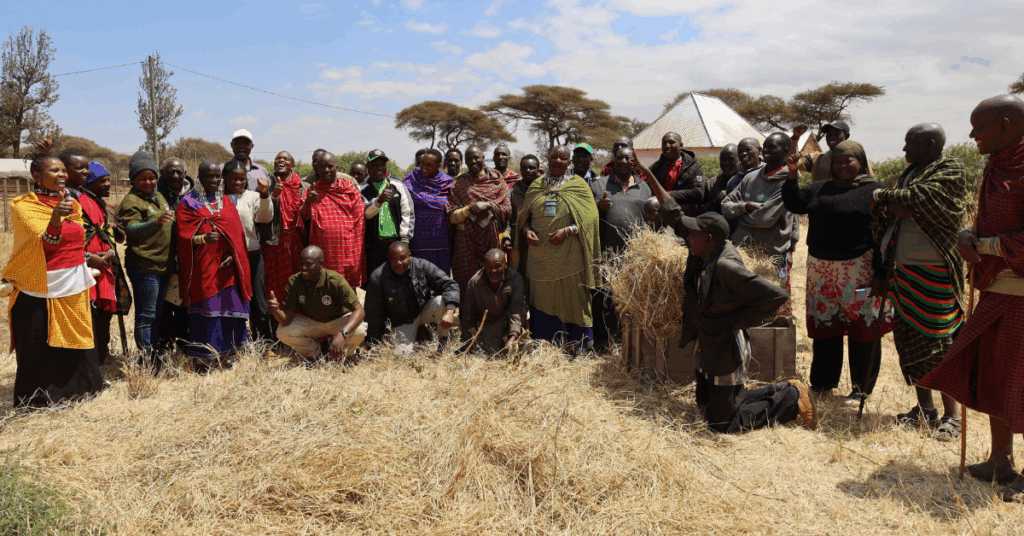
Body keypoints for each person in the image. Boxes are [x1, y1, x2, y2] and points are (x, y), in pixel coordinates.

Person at [637, 155, 815, 433]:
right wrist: (648, 173)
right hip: (707, 341)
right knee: (707, 409)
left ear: (708, 239)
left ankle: (791, 400)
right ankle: (783, 388)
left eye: (692, 236)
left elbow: (775, 296)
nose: (686, 238)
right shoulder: (703, 245)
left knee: (722, 424)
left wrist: (738, 320)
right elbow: (673, 212)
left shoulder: (726, 265)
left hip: (725, 346)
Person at [918, 95, 1024, 501]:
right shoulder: (998, 165)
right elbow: (984, 224)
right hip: (999, 288)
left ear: (1005, 123)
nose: (971, 135)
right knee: (997, 375)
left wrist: (989, 247)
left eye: (979, 127)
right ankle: (1000, 460)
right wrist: (968, 237)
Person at [870, 123, 966, 439]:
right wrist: (897, 206)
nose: (904, 150)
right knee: (909, 343)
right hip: (903, 270)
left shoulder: (949, 169)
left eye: (910, 143)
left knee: (940, 344)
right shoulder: (911, 173)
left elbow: (921, 199)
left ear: (930, 143)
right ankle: (925, 410)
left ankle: (953, 417)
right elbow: (890, 210)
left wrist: (885, 196)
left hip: (935, 271)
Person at [781, 140, 893, 406]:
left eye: (848, 161)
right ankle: (822, 384)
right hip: (821, 269)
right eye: (838, 162)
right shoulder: (820, 188)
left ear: (862, 163)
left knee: (863, 329)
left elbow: (884, 235)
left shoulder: (874, 191)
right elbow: (795, 203)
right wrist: (793, 173)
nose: (842, 166)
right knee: (824, 325)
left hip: (859, 269)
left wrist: (881, 271)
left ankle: (860, 389)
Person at [3, 152, 104, 407]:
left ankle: (80, 392)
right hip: (39, 283)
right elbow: (46, 242)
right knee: (41, 341)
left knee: (76, 335)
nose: (61, 175)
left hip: (72, 281)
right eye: (54, 171)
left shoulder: (73, 203)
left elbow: (75, 240)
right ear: (37, 176)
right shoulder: (23, 205)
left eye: (63, 170)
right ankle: (41, 399)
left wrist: (88, 256)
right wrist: (56, 217)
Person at [517, 145, 601, 355]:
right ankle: (546, 346)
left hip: (569, 256)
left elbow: (591, 219)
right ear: (548, 158)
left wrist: (568, 230)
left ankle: (578, 345)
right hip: (540, 257)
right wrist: (526, 231)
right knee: (543, 297)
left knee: (573, 296)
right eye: (553, 157)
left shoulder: (578, 185)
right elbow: (523, 218)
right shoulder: (536, 185)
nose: (557, 161)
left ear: (568, 162)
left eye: (562, 159)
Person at [175, 162, 253, 367]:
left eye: (217, 176)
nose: (214, 180)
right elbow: (183, 237)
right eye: (209, 176)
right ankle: (205, 358)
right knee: (207, 311)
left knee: (231, 309)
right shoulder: (187, 203)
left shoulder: (226, 201)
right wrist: (202, 238)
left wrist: (233, 256)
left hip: (228, 268)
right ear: (199, 178)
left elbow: (238, 234)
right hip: (204, 267)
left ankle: (230, 355)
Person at [721, 132, 799, 321]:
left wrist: (740, 216)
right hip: (744, 253)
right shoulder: (751, 177)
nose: (767, 150)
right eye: (766, 146)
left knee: (774, 311)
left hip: (771, 255)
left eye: (773, 147)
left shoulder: (787, 181)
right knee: (746, 306)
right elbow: (725, 206)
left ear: (786, 151)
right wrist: (745, 206)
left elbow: (766, 218)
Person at [590, 147, 652, 350]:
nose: (624, 161)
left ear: (634, 162)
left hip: (635, 256)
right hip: (607, 254)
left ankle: (630, 344)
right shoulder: (599, 184)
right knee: (605, 300)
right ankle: (603, 342)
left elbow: (652, 219)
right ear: (614, 161)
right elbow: (586, 219)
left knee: (633, 302)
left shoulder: (645, 187)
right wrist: (599, 209)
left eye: (629, 158)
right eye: (620, 158)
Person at [117, 151, 175, 367]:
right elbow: (131, 229)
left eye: (151, 177)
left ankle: (154, 356)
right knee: (146, 316)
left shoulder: (158, 197)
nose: (148, 182)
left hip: (163, 266)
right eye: (142, 178)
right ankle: (146, 361)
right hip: (144, 267)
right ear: (133, 179)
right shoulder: (131, 201)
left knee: (157, 314)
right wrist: (156, 223)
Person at [270, 246, 367, 361]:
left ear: (321, 263)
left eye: (309, 264)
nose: (304, 268)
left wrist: (342, 333)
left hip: (337, 320)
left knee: (360, 331)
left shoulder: (335, 280)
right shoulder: (294, 281)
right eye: (301, 264)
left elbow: (359, 311)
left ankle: (343, 354)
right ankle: (315, 355)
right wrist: (276, 311)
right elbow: (286, 319)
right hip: (311, 321)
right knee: (283, 332)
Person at [79, 161, 130, 365]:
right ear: (90, 184)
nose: (108, 184)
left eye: (109, 180)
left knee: (104, 313)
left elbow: (119, 238)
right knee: (91, 314)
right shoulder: (79, 203)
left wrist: (117, 230)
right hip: (88, 267)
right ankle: (91, 359)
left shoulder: (105, 208)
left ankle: (101, 356)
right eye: (102, 181)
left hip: (106, 267)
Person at [364, 241, 460, 346]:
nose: (399, 263)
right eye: (394, 259)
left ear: (409, 256)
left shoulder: (422, 265)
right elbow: (373, 313)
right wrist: (373, 344)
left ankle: (443, 342)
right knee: (402, 356)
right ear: (388, 258)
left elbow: (450, 284)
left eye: (402, 258)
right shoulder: (378, 277)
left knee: (440, 301)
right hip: (403, 321)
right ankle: (421, 332)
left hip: (424, 310)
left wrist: (450, 311)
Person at [448, 145, 512, 295]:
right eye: (469, 159)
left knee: (493, 280)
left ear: (483, 158)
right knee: (466, 282)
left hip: (492, 240)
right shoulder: (459, 183)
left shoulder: (496, 180)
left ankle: (492, 316)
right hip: (466, 243)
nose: (473, 161)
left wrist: (488, 206)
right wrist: (469, 209)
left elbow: (508, 210)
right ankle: (467, 315)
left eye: (476, 157)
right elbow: (451, 216)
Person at [223, 159, 275, 343]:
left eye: (242, 179)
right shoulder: (218, 199)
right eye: (233, 179)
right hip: (226, 258)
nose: (238, 182)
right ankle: (234, 343)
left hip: (252, 255)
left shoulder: (253, 196)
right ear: (224, 178)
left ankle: (264, 343)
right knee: (230, 301)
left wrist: (264, 194)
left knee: (259, 301)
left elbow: (265, 217)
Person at [301, 151, 367, 287]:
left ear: (336, 168)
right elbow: (304, 218)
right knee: (324, 287)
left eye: (330, 166)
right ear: (317, 169)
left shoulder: (349, 189)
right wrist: (308, 202)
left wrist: (353, 246)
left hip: (347, 249)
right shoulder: (312, 191)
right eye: (322, 167)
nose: (326, 170)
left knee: (347, 290)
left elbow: (359, 221)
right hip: (323, 250)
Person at [262, 151, 309, 341]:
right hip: (274, 244)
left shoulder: (302, 186)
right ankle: (275, 334)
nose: (280, 161)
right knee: (273, 287)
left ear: (292, 166)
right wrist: (272, 197)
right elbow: (261, 213)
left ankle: (298, 332)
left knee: (297, 286)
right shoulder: (267, 183)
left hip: (296, 243)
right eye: (278, 159)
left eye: (285, 159)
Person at [156, 157, 193, 353]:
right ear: (163, 173)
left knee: (183, 304)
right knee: (162, 304)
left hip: (186, 257)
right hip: (161, 258)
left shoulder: (195, 194)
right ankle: (165, 344)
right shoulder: (155, 194)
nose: (175, 176)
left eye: (179, 172)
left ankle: (184, 344)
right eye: (170, 172)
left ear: (185, 174)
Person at [460, 249, 525, 354]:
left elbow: (516, 311)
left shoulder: (515, 279)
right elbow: (469, 316)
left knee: (516, 350)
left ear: (505, 265)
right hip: (489, 324)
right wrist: (470, 342)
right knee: (491, 353)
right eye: (489, 267)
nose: (493, 271)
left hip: (509, 322)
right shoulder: (474, 283)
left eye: (497, 266)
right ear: (484, 266)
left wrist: (512, 338)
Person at [362, 149, 415, 278]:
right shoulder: (360, 189)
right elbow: (365, 215)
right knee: (374, 283)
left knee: (398, 283)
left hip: (396, 245)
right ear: (367, 167)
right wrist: (378, 202)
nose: (379, 168)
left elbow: (408, 214)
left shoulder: (398, 186)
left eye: (382, 165)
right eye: (375, 165)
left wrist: (404, 242)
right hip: (373, 248)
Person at [404, 148, 454, 273]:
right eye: (422, 163)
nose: (424, 167)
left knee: (440, 280)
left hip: (441, 242)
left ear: (439, 166)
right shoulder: (411, 179)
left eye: (429, 165)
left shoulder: (447, 182)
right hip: (418, 242)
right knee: (418, 280)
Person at [790, 121, 874, 183]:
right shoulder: (817, 158)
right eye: (829, 135)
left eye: (837, 134)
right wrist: (795, 138)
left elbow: (870, 183)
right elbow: (794, 162)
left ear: (847, 136)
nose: (831, 137)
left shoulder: (856, 160)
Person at [507, 154, 541, 283]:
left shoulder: (545, 190)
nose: (528, 171)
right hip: (518, 242)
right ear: (520, 170)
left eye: (532, 168)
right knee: (519, 276)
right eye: (524, 168)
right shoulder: (512, 191)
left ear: (538, 169)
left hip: (540, 239)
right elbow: (508, 218)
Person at [649, 132, 705, 200]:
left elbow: (698, 193)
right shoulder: (655, 167)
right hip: (659, 206)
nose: (667, 146)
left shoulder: (694, 165)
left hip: (685, 207)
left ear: (681, 145)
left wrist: (667, 195)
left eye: (671, 142)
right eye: (664, 143)